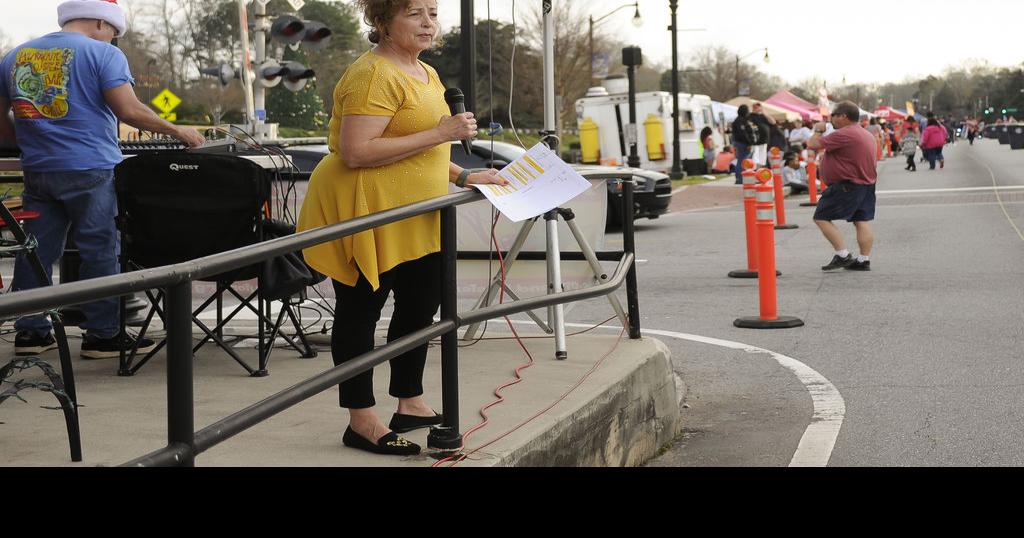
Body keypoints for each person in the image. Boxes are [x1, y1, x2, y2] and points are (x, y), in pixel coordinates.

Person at [296, 0, 507, 457]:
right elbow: (356, 151)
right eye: (415, 13)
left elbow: (417, 148)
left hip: (418, 211)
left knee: (418, 309)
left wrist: (464, 175)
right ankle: (361, 419)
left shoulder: (425, 73)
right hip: (370, 209)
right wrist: (441, 132)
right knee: (361, 310)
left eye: (433, 12)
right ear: (382, 20)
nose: (429, 22)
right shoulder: (373, 74)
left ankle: (409, 402)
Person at [0, 0, 205, 359]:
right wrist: (177, 130)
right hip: (90, 170)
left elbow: (1, 118)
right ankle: (103, 335)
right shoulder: (102, 54)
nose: (114, 39)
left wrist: (25, 143)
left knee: (35, 252)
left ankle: (31, 333)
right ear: (100, 22)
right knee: (100, 252)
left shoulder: (15, 55)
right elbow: (129, 110)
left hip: (38, 170)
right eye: (114, 31)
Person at [805, 101, 877, 272]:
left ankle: (843, 255)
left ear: (843, 116)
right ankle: (863, 259)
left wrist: (818, 130)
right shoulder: (865, 133)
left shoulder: (845, 133)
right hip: (866, 184)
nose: (831, 120)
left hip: (847, 185)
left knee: (821, 217)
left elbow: (813, 144)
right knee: (861, 220)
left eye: (833, 116)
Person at [730, 105, 759, 184]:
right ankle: (739, 178)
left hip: (745, 143)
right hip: (743, 144)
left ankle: (746, 177)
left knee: (747, 161)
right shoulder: (739, 121)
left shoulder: (743, 120)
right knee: (742, 161)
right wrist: (749, 143)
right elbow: (743, 134)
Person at [749, 102, 773, 166]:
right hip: (756, 139)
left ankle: (760, 168)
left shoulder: (763, 115)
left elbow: (773, 122)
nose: (758, 109)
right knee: (756, 155)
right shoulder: (750, 116)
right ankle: (755, 168)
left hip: (764, 138)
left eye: (759, 107)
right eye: (756, 107)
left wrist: (764, 113)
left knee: (762, 156)